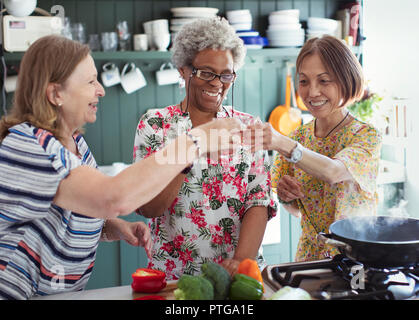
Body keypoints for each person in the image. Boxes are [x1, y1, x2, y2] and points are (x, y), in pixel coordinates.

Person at [0, 35, 241, 300]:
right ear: (56, 93)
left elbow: (77, 209)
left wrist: (111, 227)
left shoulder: (75, 142)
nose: (100, 90)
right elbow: (112, 197)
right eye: (91, 81)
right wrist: (196, 139)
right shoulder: (29, 145)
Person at [133, 17, 277, 278]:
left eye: (226, 74)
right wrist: (189, 155)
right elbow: (148, 208)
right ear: (183, 69)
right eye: (206, 73)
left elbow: (259, 200)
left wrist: (241, 261)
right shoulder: (156, 125)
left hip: (239, 275)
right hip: (175, 277)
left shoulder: (246, 127)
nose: (217, 83)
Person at [249, 35, 382, 261]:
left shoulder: (365, 136)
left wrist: (281, 142)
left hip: (356, 259)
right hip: (310, 258)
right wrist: (287, 196)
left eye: (324, 80)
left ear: (346, 79)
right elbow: (296, 209)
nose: (312, 92)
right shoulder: (299, 136)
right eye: (304, 81)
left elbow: (333, 172)